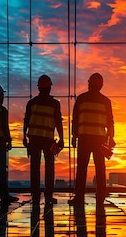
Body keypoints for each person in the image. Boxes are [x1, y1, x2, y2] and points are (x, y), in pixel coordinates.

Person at [70, 72, 115, 206]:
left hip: (84, 137)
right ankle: (100, 195)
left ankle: (79, 197)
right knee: (100, 168)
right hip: (99, 139)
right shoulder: (106, 101)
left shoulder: (81, 99)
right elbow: (110, 122)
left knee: (82, 168)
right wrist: (111, 137)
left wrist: (74, 136)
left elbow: (75, 119)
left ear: (89, 84)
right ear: (101, 86)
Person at [23, 75, 64, 204]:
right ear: (49, 87)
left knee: (35, 168)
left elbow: (26, 121)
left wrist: (24, 137)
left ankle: (35, 196)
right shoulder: (54, 103)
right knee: (49, 168)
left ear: (39, 88)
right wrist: (62, 138)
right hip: (48, 139)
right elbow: (58, 123)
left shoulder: (32, 102)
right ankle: (48, 196)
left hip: (34, 138)